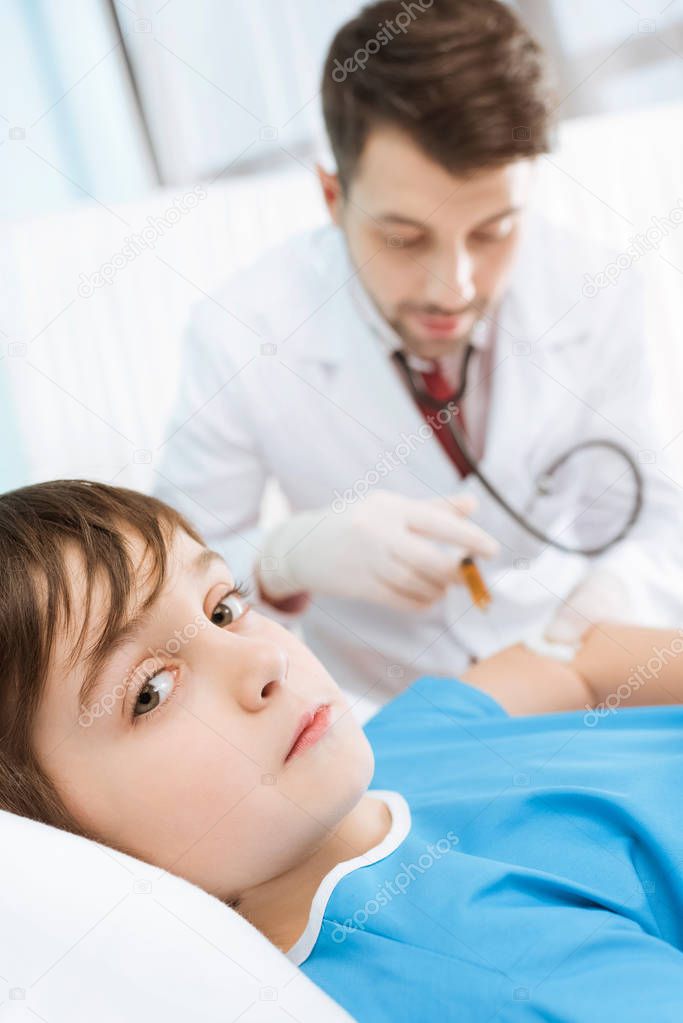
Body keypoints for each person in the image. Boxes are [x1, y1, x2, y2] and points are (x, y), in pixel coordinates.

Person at [154, 0, 682, 717]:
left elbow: (655, 520)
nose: (453, 287)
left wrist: (614, 594)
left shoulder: (597, 289)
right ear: (333, 197)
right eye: (404, 238)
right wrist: (283, 558)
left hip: (574, 675)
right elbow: (165, 600)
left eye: (493, 231)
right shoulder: (242, 331)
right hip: (384, 713)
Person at [4, 478, 683, 1020]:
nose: (262, 658)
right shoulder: (483, 974)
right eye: (150, 690)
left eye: (221, 608)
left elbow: (578, 662)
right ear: (56, 834)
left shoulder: (399, 737)